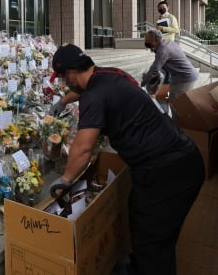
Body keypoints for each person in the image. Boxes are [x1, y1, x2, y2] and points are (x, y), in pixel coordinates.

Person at [48, 44, 204, 275]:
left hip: (166, 172)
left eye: (62, 78)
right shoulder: (108, 74)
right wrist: (63, 102)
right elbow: (82, 90)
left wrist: (65, 179)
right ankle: (139, 267)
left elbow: (83, 148)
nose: (63, 84)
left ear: (71, 72)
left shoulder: (94, 95)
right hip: (179, 161)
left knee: (152, 242)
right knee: (148, 229)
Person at [142, 30, 199, 101]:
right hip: (187, 75)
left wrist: (143, 83)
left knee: (176, 104)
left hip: (184, 78)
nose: (146, 43)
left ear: (155, 41)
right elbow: (160, 66)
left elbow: (155, 69)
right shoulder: (168, 42)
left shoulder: (163, 50)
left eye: (148, 41)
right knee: (179, 103)